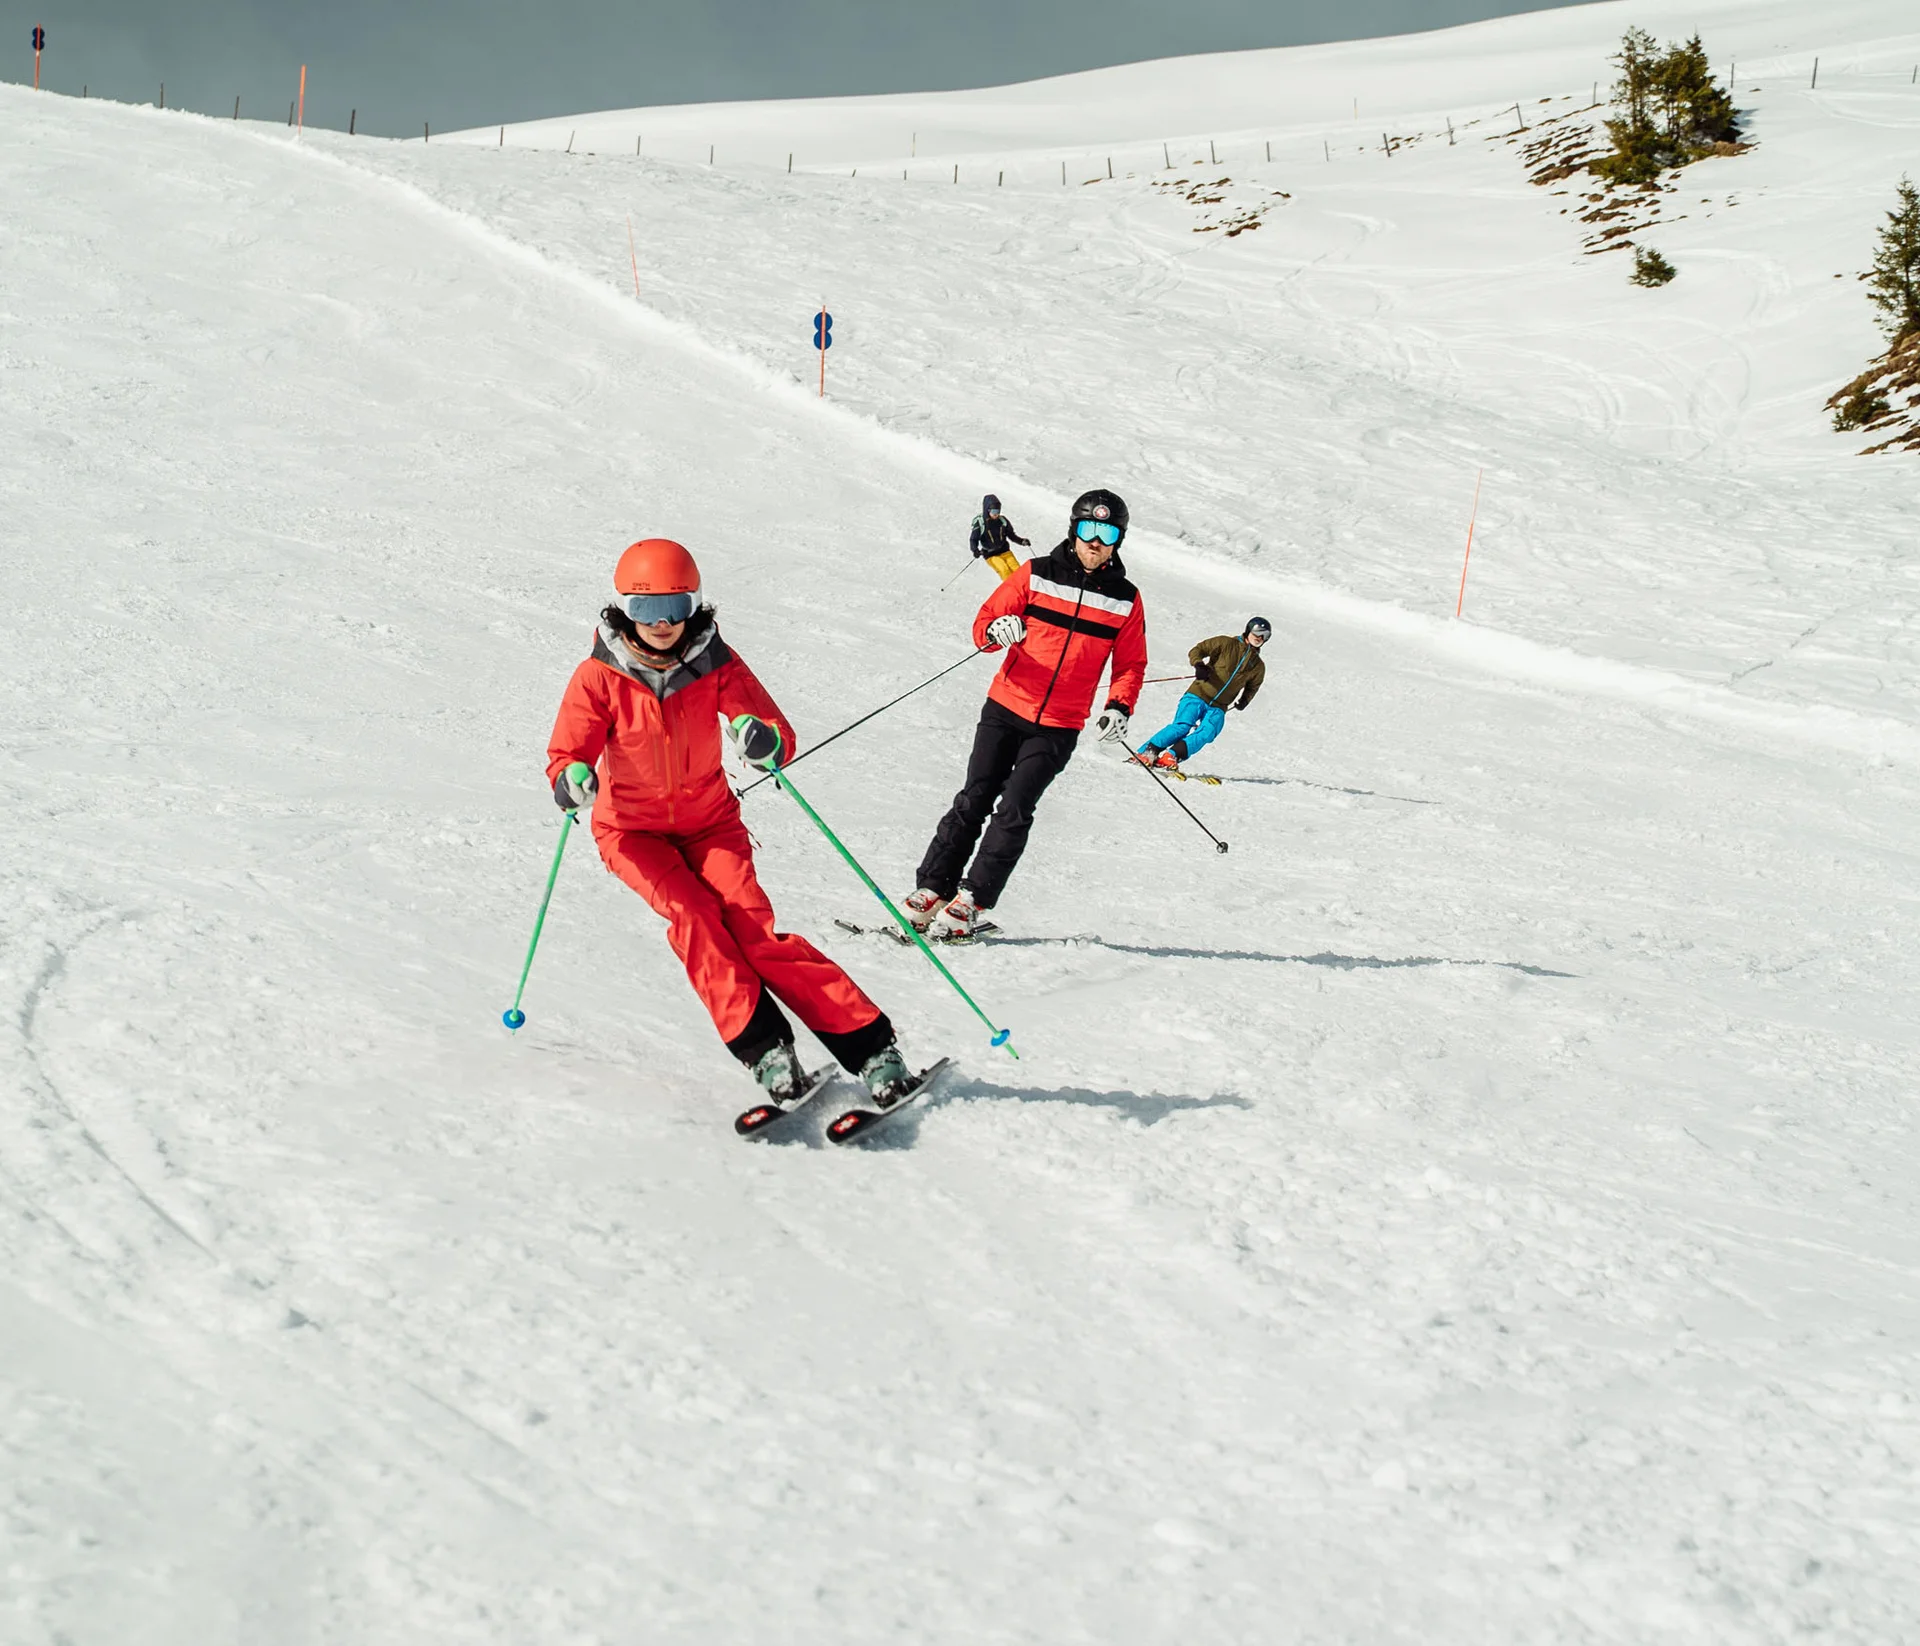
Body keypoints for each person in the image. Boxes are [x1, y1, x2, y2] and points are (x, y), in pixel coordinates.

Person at [545, 537, 916, 1111]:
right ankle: (768, 1053)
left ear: (695, 604)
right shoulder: (598, 676)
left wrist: (759, 737)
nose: (662, 623)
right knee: (694, 917)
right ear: (624, 609)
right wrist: (572, 778)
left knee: (753, 929)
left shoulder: (716, 661)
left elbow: (767, 725)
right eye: (646, 610)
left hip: (711, 823)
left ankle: (873, 1051)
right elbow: (567, 751)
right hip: (632, 833)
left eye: (676, 606)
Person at [905, 489, 1148, 939]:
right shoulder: (1036, 575)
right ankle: (931, 889)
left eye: (1107, 533)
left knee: (1015, 808)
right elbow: (985, 623)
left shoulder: (1125, 600)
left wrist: (1119, 705)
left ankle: (971, 899)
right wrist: (996, 631)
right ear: (1074, 529)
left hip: (1059, 724)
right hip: (1006, 706)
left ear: (1119, 540)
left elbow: (1131, 663)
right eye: (1089, 529)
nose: (1096, 541)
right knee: (974, 798)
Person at [1137, 617, 1271, 771]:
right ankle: (1148, 752)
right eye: (1258, 632)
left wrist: (1245, 700)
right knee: (1182, 726)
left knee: (1208, 732)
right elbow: (1198, 650)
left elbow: (1253, 686)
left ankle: (1172, 756)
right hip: (1198, 694)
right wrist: (1198, 665)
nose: (1260, 638)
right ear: (1249, 630)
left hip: (1219, 706)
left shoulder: (1258, 666)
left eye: (1265, 635)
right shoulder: (1226, 643)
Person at [968, 494, 1031, 581]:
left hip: (1005, 551)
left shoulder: (1002, 521)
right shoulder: (980, 523)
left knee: (1017, 570)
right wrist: (975, 550)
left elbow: (1011, 535)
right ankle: (1012, 591)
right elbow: (973, 539)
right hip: (991, 555)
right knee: (1004, 570)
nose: (996, 514)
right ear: (987, 510)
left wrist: (1021, 541)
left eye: (998, 511)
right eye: (994, 512)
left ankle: (1024, 588)